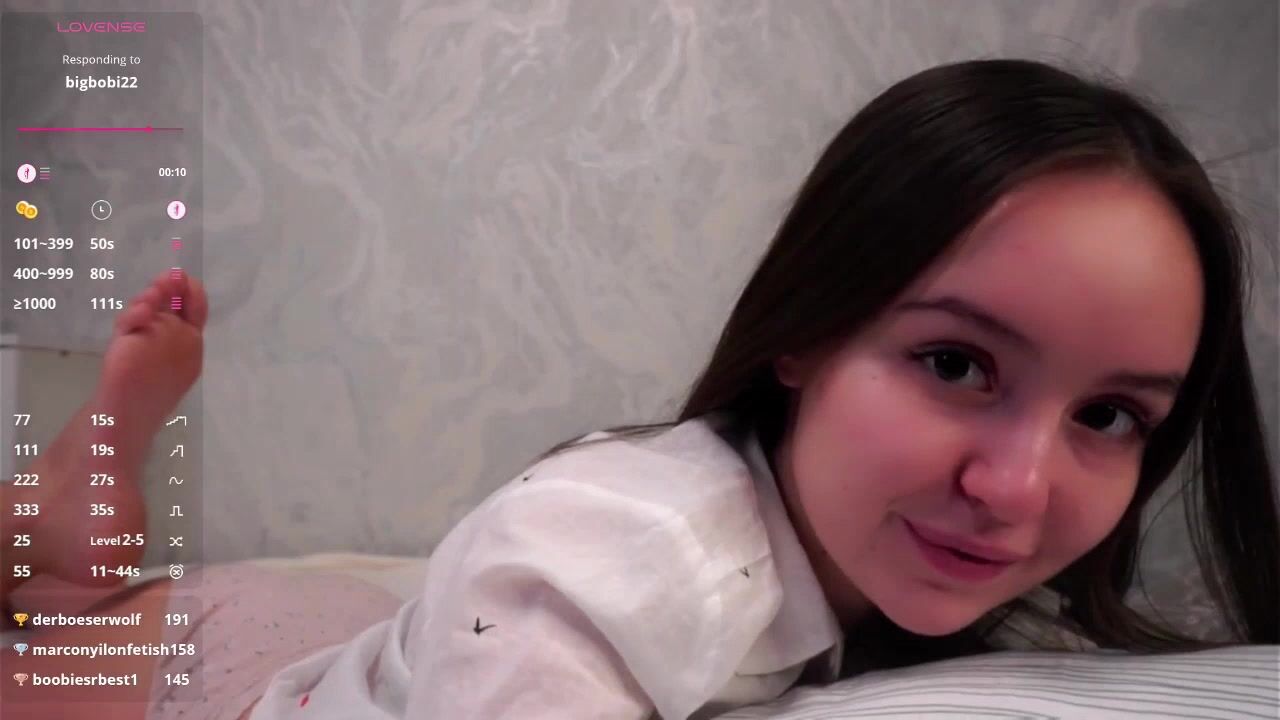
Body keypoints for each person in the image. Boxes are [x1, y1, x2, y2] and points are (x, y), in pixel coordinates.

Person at [1, 57, 1276, 720]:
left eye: (1107, 416)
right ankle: (83, 477)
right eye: (954, 363)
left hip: (380, 640)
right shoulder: (605, 558)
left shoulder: (917, 588)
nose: (1016, 488)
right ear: (803, 331)